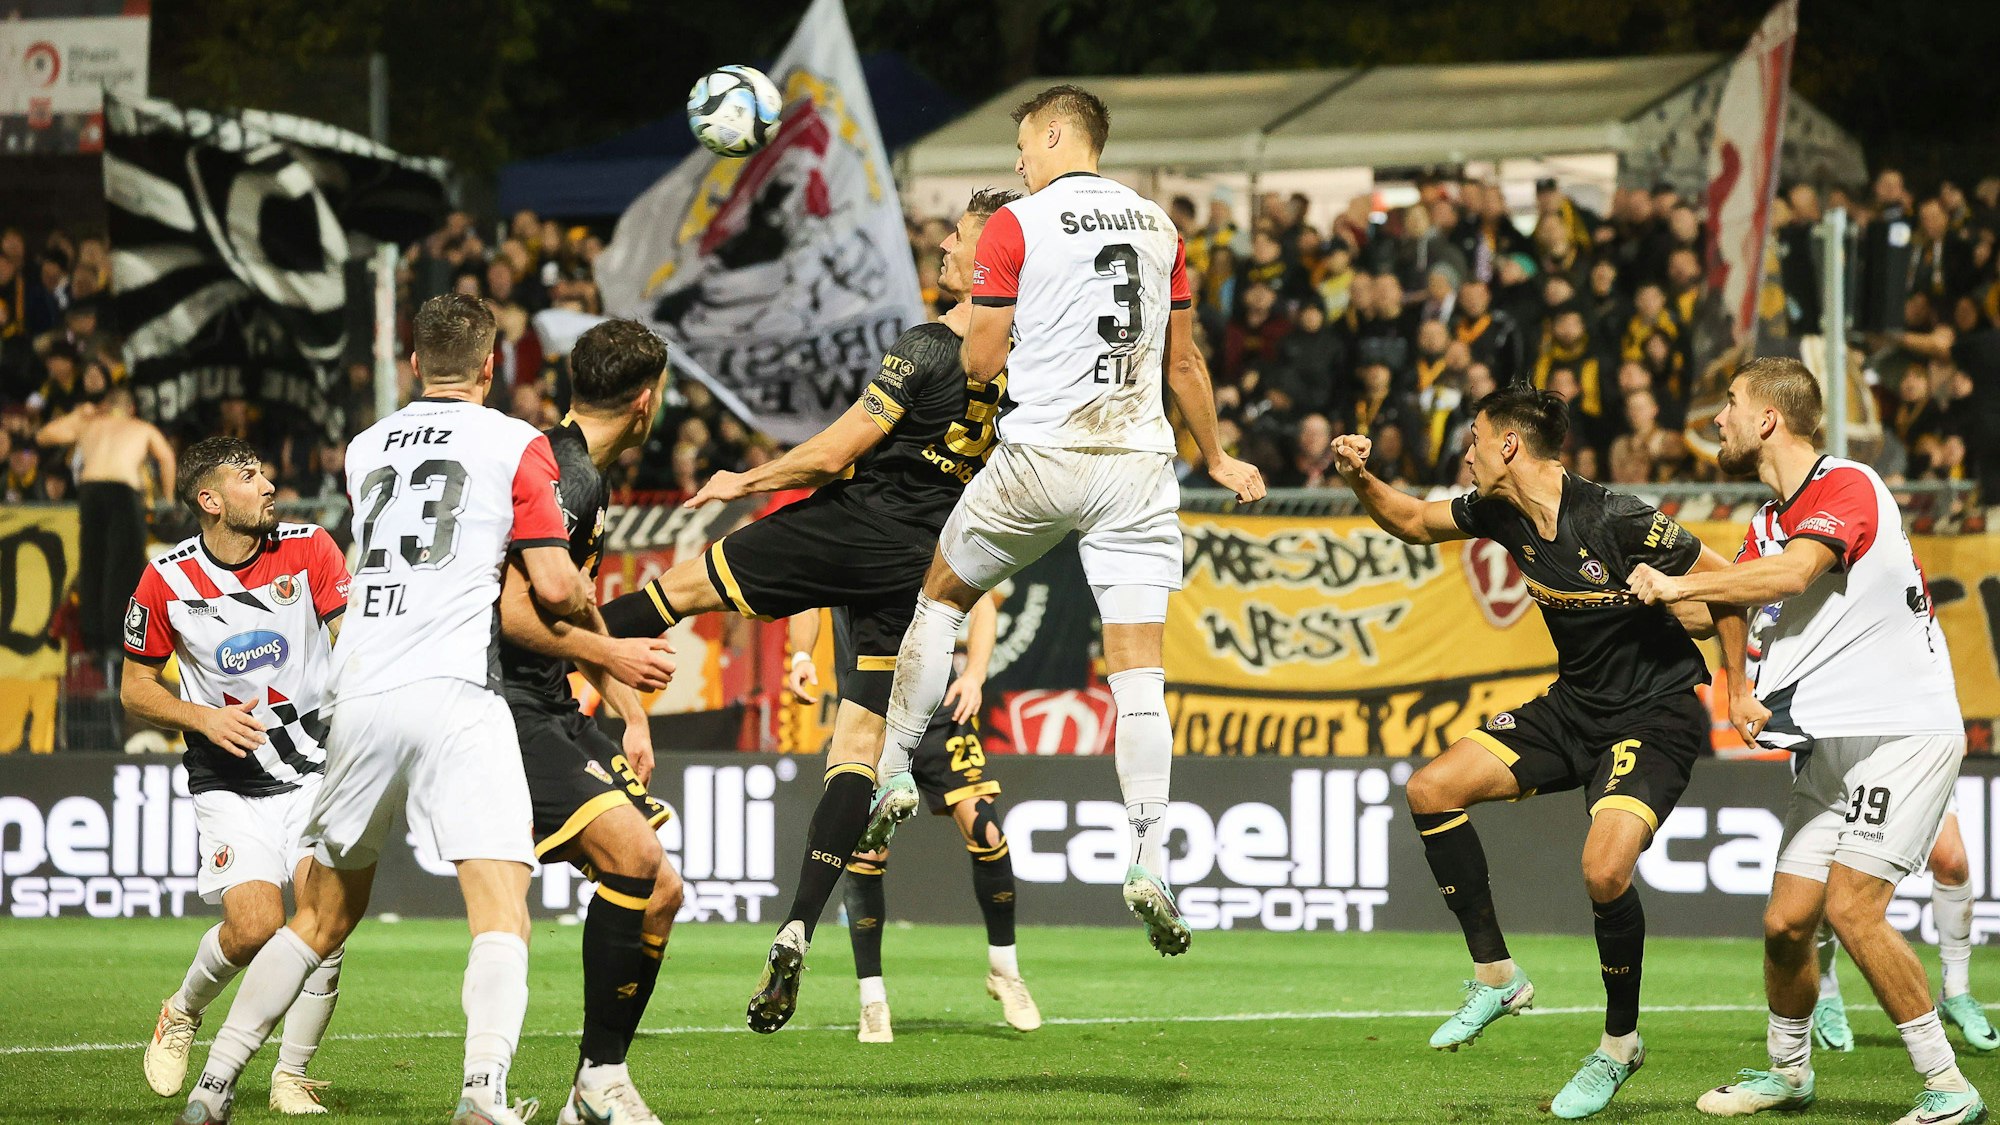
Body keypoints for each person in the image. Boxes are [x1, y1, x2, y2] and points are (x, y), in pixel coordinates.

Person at [175, 295, 675, 1125]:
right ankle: (482, 1091)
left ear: (413, 363)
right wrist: (611, 648)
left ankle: (215, 1082)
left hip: (362, 691)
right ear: (488, 368)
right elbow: (549, 586)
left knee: (322, 915)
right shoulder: (519, 442)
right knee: (500, 904)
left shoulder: (363, 446)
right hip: (457, 691)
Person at [592, 190, 1024, 1034]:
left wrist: (744, 480)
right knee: (855, 750)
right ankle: (797, 922)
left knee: (676, 593)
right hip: (918, 568)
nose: (942, 246)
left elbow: (835, 452)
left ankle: (524, 662)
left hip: (850, 529)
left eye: (960, 237)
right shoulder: (1022, 368)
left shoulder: (929, 347)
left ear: (996, 260)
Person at [859, 84, 1263, 963]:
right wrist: (1220, 457)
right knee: (1139, 675)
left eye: (1022, 146)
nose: (1017, 163)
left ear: (1053, 133)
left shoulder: (1018, 224)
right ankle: (1151, 854)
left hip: (1041, 456)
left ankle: (892, 769)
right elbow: (1183, 360)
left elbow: (981, 356)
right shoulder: (1162, 227)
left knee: (940, 598)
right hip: (1138, 464)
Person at [1333, 385, 1739, 1120]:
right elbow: (1411, 520)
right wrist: (1360, 476)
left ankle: (1619, 1046)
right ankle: (1495, 976)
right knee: (1431, 788)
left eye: (1475, 438)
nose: (1467, 451)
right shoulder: (1499, 509)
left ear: (1509, 445)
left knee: (1603, 868)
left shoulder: (1616, 516)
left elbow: (1729, 592)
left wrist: (1712, 646)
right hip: (1574, 707)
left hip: (1654, 715)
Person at [1628, 357, 1982, 1125]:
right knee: (1788, 921)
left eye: (1728, 404)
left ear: (1767, 420)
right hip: (1828, 744)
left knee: (1854, 910)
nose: (1716, 419)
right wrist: (1614, 597)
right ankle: (1790, 1073)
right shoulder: (1764, 520)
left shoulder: (1847, 484)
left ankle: (1948, 1084)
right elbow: (1728, 601)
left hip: (1900, 730)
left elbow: (1790, 576)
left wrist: (1681, 583)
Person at [487, 319, 684, 1125]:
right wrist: (628, 661)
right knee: (635, 856)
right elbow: (508, 614)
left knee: (662, 890)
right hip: (510, 702)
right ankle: (602, 1079)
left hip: (558, 704)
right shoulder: (563, 476)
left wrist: (629, 706)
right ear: (646, 402)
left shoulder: (579, 472)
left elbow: (578, 601)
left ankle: (588, 1089)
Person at [123, 439, 349, 1116]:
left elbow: (351, 637)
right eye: (248, 476)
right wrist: (201, 716)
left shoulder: (310, 548)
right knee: (255, 925)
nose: (269, 483)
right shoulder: (164, 579)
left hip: (315, 767)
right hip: (227, 779)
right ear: (210, 499)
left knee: (325, 922)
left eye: (263, 471)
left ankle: (291, 1074)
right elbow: (136, 688)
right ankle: (182, 1010)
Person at [787, 591, 1042, 1044]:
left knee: (987, 831)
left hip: (940, 710)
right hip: (871, 715)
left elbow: (983, 603)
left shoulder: (936, 532)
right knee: (867, 852)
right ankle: (873, 1000)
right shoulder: (849, 533)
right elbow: (809, 599)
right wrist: (802, 655)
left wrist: (976, 675)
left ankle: (1005, 970)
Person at [1811, 813, 1998, 1055]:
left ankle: (1956, 990)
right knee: (1832, 874)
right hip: (1842, 780)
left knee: (1951, 861)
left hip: (1911, 775)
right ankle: (1824, 990)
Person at [37, 385, 175, 659]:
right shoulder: (141, 427)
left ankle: (93, 639)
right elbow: (167, 457)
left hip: (90, 492)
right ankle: (115, 640)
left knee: (93, 564)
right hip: (123, 491)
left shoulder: (90, 424)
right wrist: (168, 500)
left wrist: (76, 415)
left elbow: (43, 435)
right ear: (131, 409)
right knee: (121, 566)